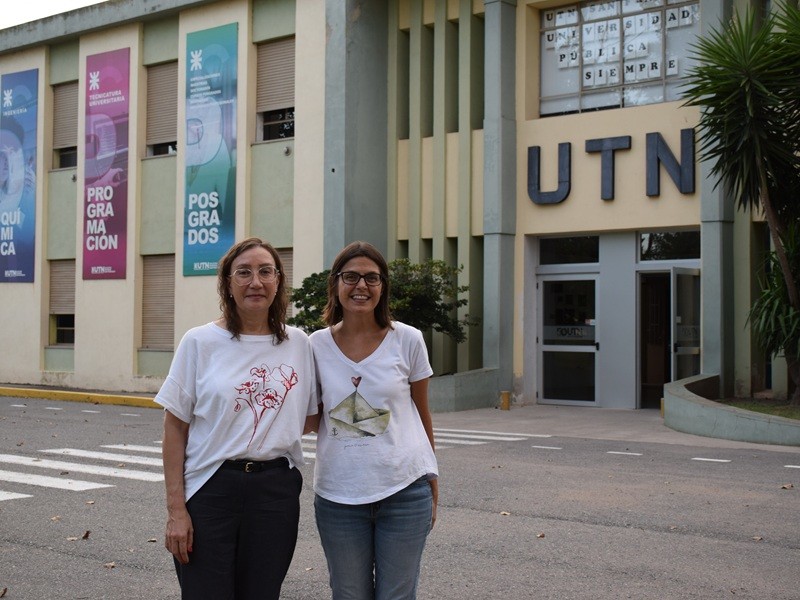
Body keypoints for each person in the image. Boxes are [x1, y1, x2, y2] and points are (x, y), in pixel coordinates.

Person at [155, 237, 318, 600]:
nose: (255, 282)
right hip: (211, 488)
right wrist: (176, 510)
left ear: (278, 281)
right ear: (227, 283)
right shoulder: (199, 342)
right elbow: (174, 427)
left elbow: (309, 417)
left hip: (274, 492)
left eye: (265, 272)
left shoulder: (299, 344)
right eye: (243, 272)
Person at [309, 241, 439, 600]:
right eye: (351, 277)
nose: (361, 286)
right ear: (336, 283)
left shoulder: (408, 340)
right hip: (338, 496)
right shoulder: (315, 346)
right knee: (349, 594)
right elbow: (309, 417)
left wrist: (432, 472)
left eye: (371, 278)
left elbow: (421, 412)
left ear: (383, 287)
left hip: (405, 490)